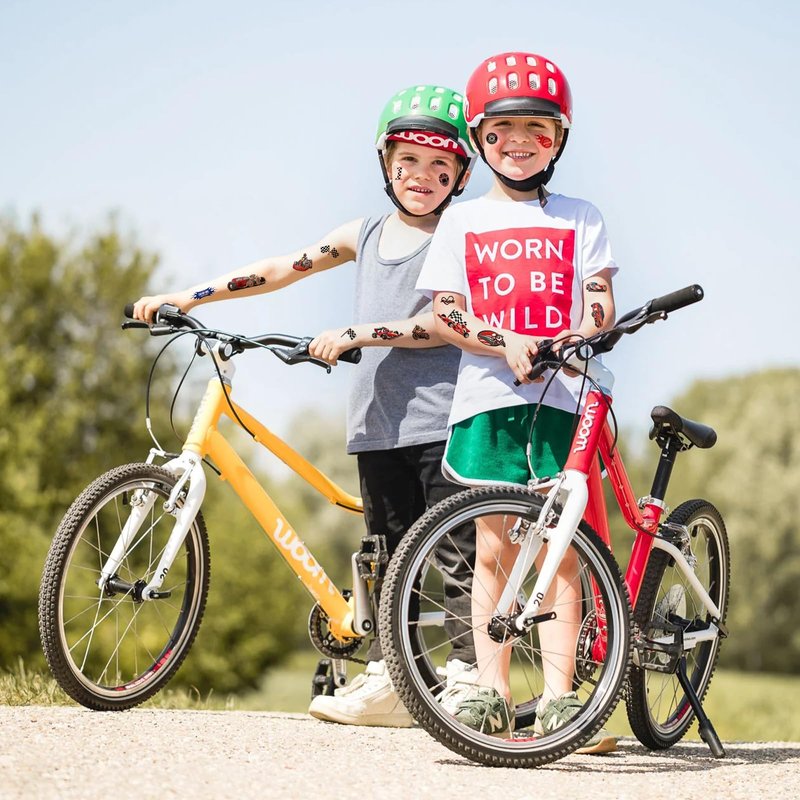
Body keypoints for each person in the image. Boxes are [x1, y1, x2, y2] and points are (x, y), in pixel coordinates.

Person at [132, 84, 479, 728]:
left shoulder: (461, 237)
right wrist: (189, 297)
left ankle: (469, 681)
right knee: (387, 554)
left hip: (445, 418)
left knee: (458, 556)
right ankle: (393, 677)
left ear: (460, 176)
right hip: (378, 422)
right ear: (385, 163)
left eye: (440, 165)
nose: (420, 175)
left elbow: (444, 323)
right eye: (407, 160)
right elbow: (280, 268)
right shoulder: (365, 233)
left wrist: (357, 334)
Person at [415, 52, 618, 753]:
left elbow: (599, 302)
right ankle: (493, 696)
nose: (520, 141)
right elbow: (447, 311)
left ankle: (561, 700)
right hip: (486, 401)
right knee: (493, 547)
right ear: (480, 138)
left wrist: (574, 336)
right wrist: (503, 341)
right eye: (503, 129)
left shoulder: (581, 217)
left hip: (561, 400)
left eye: (538, 128)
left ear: (558, 139)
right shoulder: (462, 221)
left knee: (560, 552)